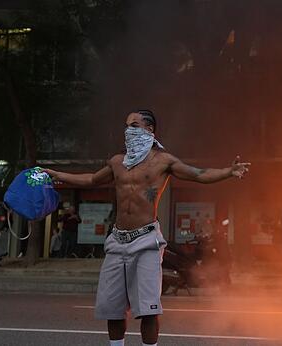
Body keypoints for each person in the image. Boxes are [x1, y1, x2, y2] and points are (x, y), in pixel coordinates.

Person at [45, 110, 250, 346]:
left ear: (149, 130)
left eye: (133, 125)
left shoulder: (163, 161)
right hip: (117, 241)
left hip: (146, 241)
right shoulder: (117, 162)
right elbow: (91, 179)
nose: (127, 131)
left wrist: (228, 171)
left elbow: (199, 174)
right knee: (113, 308)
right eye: (126, 126)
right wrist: (58, 175)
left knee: (149, 309)